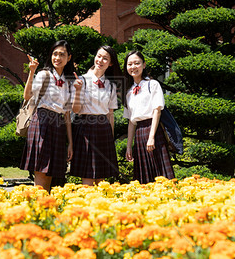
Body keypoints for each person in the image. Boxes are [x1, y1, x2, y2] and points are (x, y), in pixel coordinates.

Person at [20, 40, 82, 191]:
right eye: (55, 54)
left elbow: (68, 114)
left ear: (69, 58)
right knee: (41, 170)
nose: (57, 58)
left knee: (51, 172)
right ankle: (37, 207)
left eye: (62, 54)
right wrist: (32, 72)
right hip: (42, 121)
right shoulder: (43, 74)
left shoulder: (69, 82)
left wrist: (71, 143)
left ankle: (44, 207)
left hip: (58, 125)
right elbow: (27, 96)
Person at [69, 45, 121, 185]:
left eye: (105, 58)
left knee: (101, 177)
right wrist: (78, 91)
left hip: (103, 129)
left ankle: (100, 206)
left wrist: (111, 137)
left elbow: (110, 114)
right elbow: (75, 110)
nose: (100, 60)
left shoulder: (111, 85)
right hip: (85, 127)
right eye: (99, 56)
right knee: (87, 174)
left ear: (110, 63)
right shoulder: (81, 80)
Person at [123, 50, 175, 184]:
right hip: (139, 133)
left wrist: (151, 137)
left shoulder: (153, 85)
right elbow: (131, 121)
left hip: (154, 130)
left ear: (144, 65)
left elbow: (157, 111)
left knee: (160, 172)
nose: (133, 67)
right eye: (130, 64)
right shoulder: (128, 92)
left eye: (137, 63)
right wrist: (129, 146)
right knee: (143, 177)